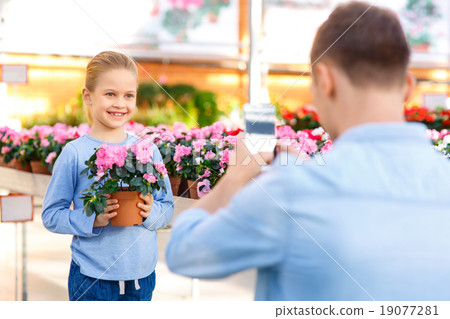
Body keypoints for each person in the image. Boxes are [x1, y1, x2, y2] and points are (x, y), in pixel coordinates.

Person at [165, 2, 450, 300]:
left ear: (325, 82)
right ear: (407, 87)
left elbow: (183, 251)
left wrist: (234, 180)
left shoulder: (291, 191)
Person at [42, 51, 174, 301]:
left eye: (128, 95)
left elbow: (167, 208)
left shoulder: (147, 150)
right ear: (88, 96)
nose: (120, 104)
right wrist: (90, 219)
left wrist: (150, 212)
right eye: (110, 94)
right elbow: (51, 215)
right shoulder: (75, 153)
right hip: (92, 278)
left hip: (141, 279)